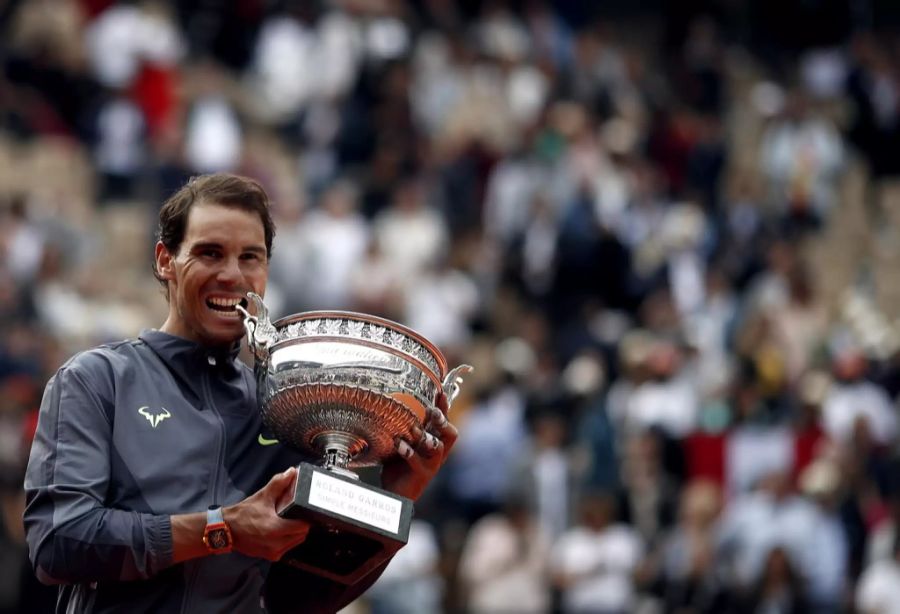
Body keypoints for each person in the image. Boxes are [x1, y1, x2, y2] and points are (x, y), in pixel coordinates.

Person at [22, 173, 458, 613]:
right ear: (165, 260)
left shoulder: (282, 408)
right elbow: (58, 540)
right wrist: (222, 529)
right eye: (210, 253)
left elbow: (297, 600)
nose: (232, 275)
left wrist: (392, 497)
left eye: (250, 257)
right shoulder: (97, 381)